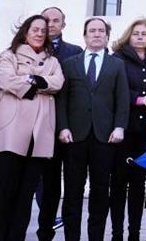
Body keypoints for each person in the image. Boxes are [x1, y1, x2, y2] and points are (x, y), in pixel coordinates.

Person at [0, 14, 65, 241]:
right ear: (25, 32)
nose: (39, 33)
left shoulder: (53, 61)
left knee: (24, 196)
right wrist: (38, 83)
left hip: (38, 137)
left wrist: (34, 80)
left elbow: (58, 83)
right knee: (1, 194)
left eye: (43, 30)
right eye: (34, 29)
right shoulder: (8, 55)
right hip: (8, 135)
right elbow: (6, 79)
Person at [57, 17, 130, 241]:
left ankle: (95, 237)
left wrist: (119, 127)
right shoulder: (70, 63)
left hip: (105, 136)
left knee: (100, 192)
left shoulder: (116, 64)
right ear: (85, 35)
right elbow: (62, 100)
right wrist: (63, 127)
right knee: (72, 192)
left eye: (101, 31)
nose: (96, 34)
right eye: (92, 31)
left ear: (107, 36)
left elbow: (122, 98)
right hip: (74, 136)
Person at [110, 18, 146, 241]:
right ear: (128, 36)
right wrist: (138, 99)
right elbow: (114, 89)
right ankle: (117, 233)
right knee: (119, 182)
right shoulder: (118, 59)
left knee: (139, 183)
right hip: (124, 128)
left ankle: (134, 233)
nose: (140, 37)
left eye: (144, 33)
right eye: (136, 33)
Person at [36, 6, 82, 241]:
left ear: (63, 24)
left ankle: (71, 233)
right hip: (42, 123)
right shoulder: (32, 50)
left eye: (56, 20)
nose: (51, 24)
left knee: (72, 183)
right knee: (47, 183)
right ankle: (45, 231)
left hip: (70, 127)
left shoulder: (75, 52)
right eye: (47, 20)